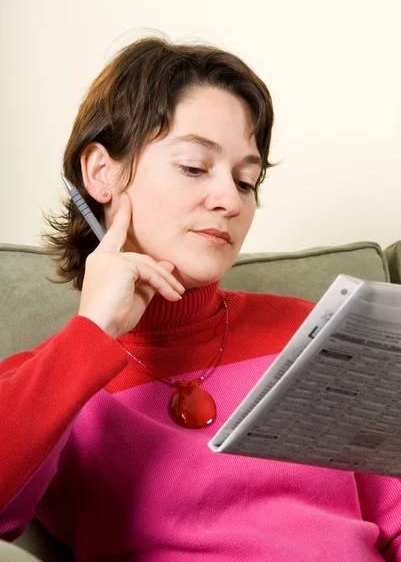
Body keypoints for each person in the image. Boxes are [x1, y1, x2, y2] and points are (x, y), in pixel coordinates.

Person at [0, 36, 400, 562]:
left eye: (246, 179)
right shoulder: (45, 382)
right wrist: (93, 332)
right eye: (193, 167)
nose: (229, 201)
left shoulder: (316, 333)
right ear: (101, 173)